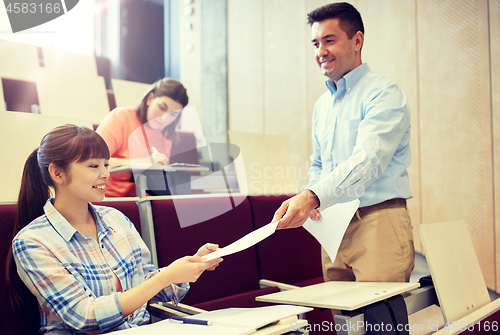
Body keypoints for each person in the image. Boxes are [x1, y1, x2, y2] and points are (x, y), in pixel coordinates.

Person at [7, 124, 222, 333]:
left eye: (106, 164)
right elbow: (85, 316)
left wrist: (192, 265)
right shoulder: (32, 242)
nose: (105, 174)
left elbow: (149, 289)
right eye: (94, 166)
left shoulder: (116, 219)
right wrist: (164, 278)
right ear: (58, 173)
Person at [273, 3, 414, 285]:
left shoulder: (384, 94)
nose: (320, 52)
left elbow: (368, 161)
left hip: (377, 222)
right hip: (331, 227)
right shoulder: (322, 106)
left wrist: (312, 196)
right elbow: (319, 163)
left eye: (329, 40)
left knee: (380, 325)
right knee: (341, 323)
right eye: (315, 43)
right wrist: (315, 199)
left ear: (357, 40)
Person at [96, 78, 188, 197]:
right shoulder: (120, 117)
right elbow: (94, 162)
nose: (165, 119)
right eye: (162, 108)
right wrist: (144, 163)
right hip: (113, 199)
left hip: (146, 200)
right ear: (150, 99)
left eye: (173, 114)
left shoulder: (166, 134)